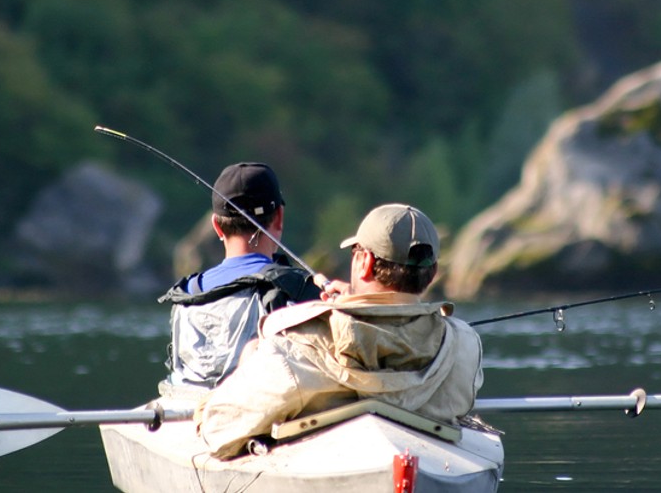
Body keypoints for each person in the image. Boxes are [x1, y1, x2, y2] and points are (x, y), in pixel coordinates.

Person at [194, 203, 484, 459]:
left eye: (356, 252)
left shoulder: (295, 343)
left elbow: (218, 430)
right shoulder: (464, 344)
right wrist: (354, 304)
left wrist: (248, 360)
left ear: (365, 262)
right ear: (432, 273)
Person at [159, 162, 322, 390]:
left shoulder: (187, 293)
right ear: (279, 218)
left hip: (189, 411)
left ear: (216, 226)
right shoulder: (299, 290)